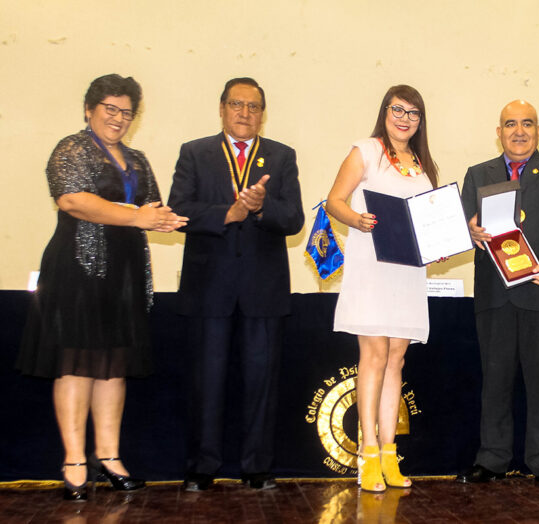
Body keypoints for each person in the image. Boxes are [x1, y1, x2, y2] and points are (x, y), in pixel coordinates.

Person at [17, 74, 187, 501]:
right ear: (90, 109)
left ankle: (109, 456)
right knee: (76, 362)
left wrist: (166, 218)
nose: (118, 118)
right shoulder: (71, 148)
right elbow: (72, 200)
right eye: (110, 108)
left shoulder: (138, 158)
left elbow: (149, 208)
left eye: (126, 111)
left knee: (114, 365)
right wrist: (138, 217)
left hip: (125, 274)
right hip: (77, 269)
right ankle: (75, 460)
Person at [168, 77, 304, 492]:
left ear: (263, 114)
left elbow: (295, 218)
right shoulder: (195, 153)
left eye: (253, 107)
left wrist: (262, 209)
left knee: (262, 383)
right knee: (206, 382)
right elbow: (178, 210)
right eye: (236, 104)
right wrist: (226, 214)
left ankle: (257, 467)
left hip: (263, 291)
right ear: (222, 108)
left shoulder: (281, 157)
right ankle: (201, 467)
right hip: (209, 287)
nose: (245, 113)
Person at [457, 100, 539, 489]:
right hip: (495, 296)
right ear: (499, 132)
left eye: (527, 124)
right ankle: (492, 459)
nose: (519, 131)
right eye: (510, 124)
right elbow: (462, 227)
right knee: (494, 382)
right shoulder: (478, 174)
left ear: (538, 131)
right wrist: (471, 232)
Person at [326, 85, 438, 492]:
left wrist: (437, 247)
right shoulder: (365, 151)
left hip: (408, 272)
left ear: (420, 121)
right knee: (373, 354)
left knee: (397, 358)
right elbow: (334, 200)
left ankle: (390, 455)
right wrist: (356, 220)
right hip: (372, 266)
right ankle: (367, 454)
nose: (405, 118)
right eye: (398, 109)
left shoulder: (423, 165)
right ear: (385, 111)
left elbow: (428, 222)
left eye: (413, 113)